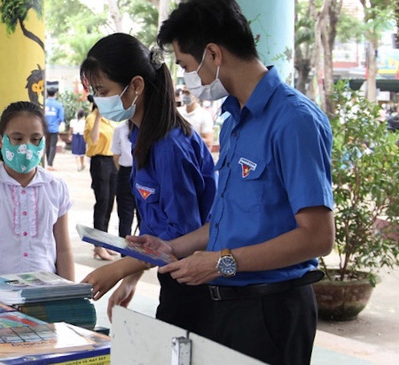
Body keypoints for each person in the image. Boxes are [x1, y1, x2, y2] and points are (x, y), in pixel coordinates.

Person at [139, 1, 334, 363]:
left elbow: (318, 237)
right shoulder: (233, 122)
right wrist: (169, 247)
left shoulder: (294, 121)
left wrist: (222, 263)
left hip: (272, 309)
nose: (186, 78)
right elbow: (226, 223)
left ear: (213, 53)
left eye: (185, 66)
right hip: (226, 307)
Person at [79, 33, 217, 337]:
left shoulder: (168, 146)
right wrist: (132, 275)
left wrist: (118, 269)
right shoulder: (140, 136)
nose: (99, 100)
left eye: (103, 90)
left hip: (196, 285)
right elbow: (157, 226)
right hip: (176, 278)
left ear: (137, 86)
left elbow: (182, 235)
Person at [0, 101, 75, 293]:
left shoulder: (56, 187)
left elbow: (64, 250)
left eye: (35, 139)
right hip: (0, 297)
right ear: (0, 140)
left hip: (47, 294)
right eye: (17, 138)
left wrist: (71, 296)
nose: (26, 147)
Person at [84, 96, 118, 261]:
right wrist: (98, 116)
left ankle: (104, 242)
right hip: (99, 161)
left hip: (112, 161)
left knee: (110, 202)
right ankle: (98, 245)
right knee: (102, 201)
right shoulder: (92, 119)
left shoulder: (110, 119)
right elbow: (94, 139)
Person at [110, 119, 137, 238]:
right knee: (143, 216)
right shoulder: (120, 128)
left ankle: (125, 253)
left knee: (125, 216)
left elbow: (116, 157)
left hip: (126, 172)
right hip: (135, 172)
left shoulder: (120, 128)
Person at [44, 88, 65, 170]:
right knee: (53, 146)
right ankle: (50, 164)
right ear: (55, 94)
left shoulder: (44, 103)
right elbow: (61, 118)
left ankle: (47, 162)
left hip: (45, 128)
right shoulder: (58, 105)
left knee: (47, 145)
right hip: (54, 128)